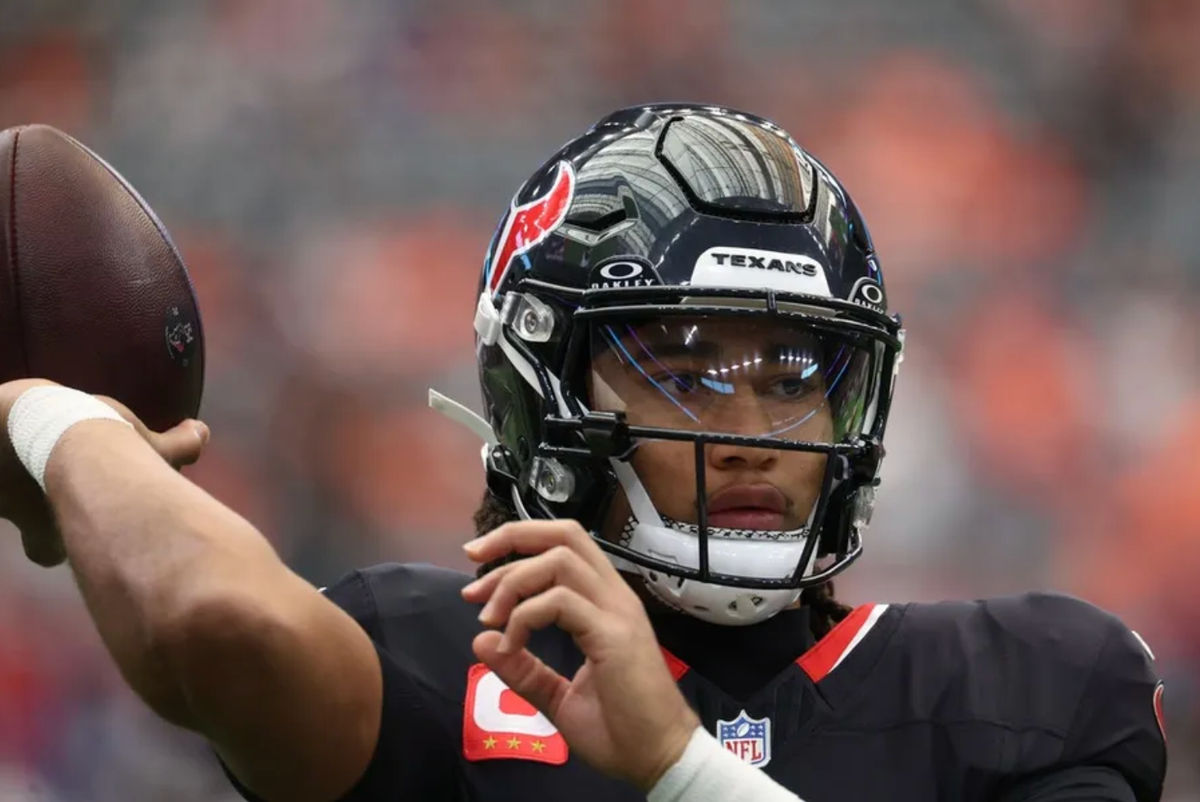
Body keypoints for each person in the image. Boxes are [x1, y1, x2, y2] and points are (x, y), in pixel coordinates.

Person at [1, 104, 1166, 801]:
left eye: (793, 375)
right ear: (541, 391)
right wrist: (56, 415)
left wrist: (677, 767)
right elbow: (214, 622)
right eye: (688, 370)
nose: (752, 428)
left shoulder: (1035, 688)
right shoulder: (448, 668)